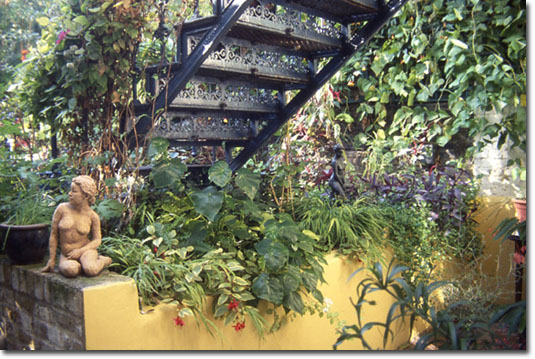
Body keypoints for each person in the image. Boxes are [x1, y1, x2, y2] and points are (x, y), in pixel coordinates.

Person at [42, 175, 112, 278]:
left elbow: (97, 240)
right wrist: (51, 260)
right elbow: (53, 235)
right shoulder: (62, 209)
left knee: (91, 270)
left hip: (86, 251)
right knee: (71, 270)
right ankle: (79, 266)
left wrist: (80, 251)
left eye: (74, 191)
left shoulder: (93, 216)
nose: (69, 194)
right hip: (67, 255)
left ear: (85, 196)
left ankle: (103, 261)